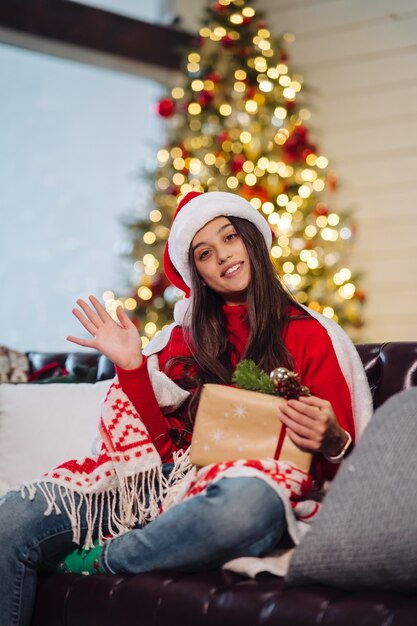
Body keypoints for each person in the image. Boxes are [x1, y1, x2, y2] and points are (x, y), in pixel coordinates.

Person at [0, 191, 373, 626]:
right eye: (204, 253)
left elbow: (344, 468)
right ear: (194, 271)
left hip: (250, 488)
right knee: (13, 518)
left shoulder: (311, 336)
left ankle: (105, 558)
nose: (223, 257)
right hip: (164, 486)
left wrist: (332, 439)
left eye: (229, 237)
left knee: (246, 507)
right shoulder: (182, 340)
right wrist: (133, 368)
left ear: (251, 239)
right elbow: (157, 454)